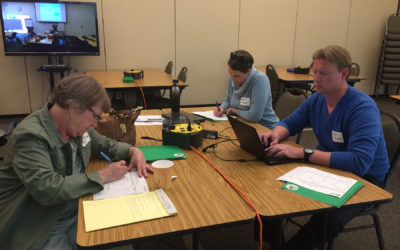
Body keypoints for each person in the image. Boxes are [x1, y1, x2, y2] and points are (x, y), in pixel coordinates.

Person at [0, 73, 152, 250]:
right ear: (72, 108)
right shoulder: (30, 137)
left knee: (122, 243)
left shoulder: (77, 128)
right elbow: (47, 189)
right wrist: (102, 176)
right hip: (39, 226)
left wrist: (133, 151)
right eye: (95, 116)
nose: (96, 124)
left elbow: (104, 144)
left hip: (77, 211)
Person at [259, 45, 390, 249]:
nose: (316, 79)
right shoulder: (318, 99)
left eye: (324, 73)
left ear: (344, 73)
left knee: (327, 217)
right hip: (330, 168)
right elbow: (289, 123)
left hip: (366, 179)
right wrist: (274, 136)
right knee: (269, 188)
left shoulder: (362, 107)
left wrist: (305, 153)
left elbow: (360, 162)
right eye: (315, 72)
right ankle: (273, 241)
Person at [214, 50, 279, 129]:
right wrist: (222, 108)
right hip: (243, 124)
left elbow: (254, 116)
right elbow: (228, 100)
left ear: (249, 71)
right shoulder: (232, 77)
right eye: (230, 74)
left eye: (237, 76)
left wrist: (235, 111)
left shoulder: (260, 80)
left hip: (265, 128)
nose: (233, 79)